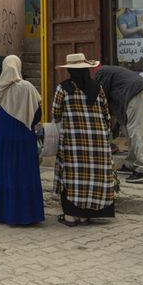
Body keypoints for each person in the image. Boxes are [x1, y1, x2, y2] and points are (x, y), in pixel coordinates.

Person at [52, 53, 116, 226]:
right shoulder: (98, 88)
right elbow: (106, 115)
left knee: (72, 176)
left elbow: (56, 114)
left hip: (73, 142)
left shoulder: (63, 88)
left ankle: (71, 216)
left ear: (70, 71)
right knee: (93, 176)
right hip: (98, 142)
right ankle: (86, 215)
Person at [0, 55, 44, 225]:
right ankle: (27, 214)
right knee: (24, 172)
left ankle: (3, 212)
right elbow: (37, 114)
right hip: (24, 137)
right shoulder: (27, 87)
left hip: (4, 137)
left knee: (5, 172)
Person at [92, 64, 143, 183]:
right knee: (127, 129)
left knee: (137, 129)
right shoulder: (109, 73)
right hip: (136, 91)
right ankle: (131, 163)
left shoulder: (101, 73)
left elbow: (101, 99)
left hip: (135, 91)